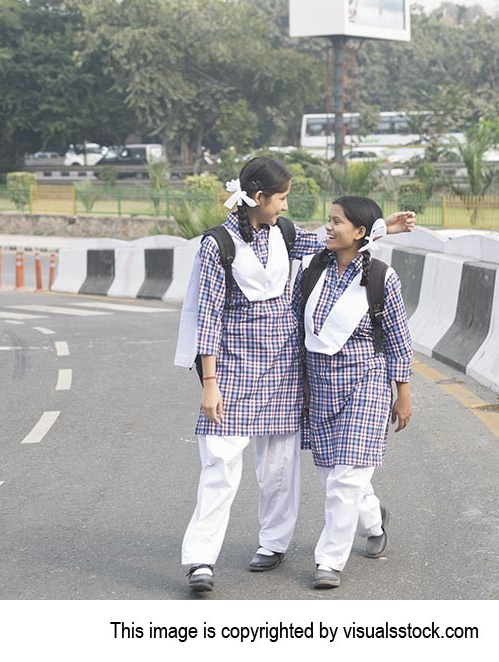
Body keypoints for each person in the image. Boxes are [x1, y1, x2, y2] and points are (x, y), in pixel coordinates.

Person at [174, 157, 414, 592]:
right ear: (259, 197)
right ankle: (200, 560)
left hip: (285, 371)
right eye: (282, 197)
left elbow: (330, 243)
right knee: (219, 465)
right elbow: (206, 316)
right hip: (233, 373)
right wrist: (209, 383)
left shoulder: (284, 235)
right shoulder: (217, 246)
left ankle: (272, 542)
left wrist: (383, 228)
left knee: (279, 468)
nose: (287, 206)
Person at [292, 195, 413, 589]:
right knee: (336, 478)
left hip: (367, 384)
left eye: (337, 222)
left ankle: (329, 561)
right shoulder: (313, 269)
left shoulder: (381, 277)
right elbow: (296, 323)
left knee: (345, 479)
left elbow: (398, 339)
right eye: (328, 220)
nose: (328, 227)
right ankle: (374, 518)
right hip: (321, 385)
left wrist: (404, 393)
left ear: (359, 232)